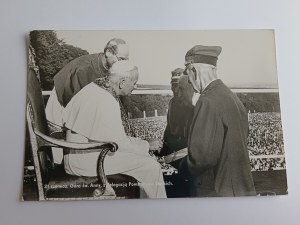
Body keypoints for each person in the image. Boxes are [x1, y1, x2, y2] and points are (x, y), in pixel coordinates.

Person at [62, 60, 167, 199]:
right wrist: (147, 145)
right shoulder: (106, 99)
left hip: (81, 154)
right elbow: (119, 143)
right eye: (134, 82)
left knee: (143, 158)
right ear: (122, 82)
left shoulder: (94, 87)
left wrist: (143, 146)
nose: (135, 86)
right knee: (151, 167)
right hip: (85, 160)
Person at [179, 45, 256, 197]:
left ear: (193, 70)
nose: (189, 82)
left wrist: (180, 166)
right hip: (240, 187)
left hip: (218, 190)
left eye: (188, 75)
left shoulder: (207, 101)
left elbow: (202, 159)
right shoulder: (231, 97)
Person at [46, 38, 130, 164]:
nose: (123, 64)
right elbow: (79, 108)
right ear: (108, 53)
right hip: (61, 106)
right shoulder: (85, 69)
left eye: (126, 60)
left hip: (73, 103)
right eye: (121, 59)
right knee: (61, 159)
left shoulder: (108, 67)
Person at [160, 68, 194, 168]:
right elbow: (169, 128)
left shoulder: (192, 105)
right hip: (173, 151)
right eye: (173, 85)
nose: (175, 89)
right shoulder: (172, 103)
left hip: (185, 152)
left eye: (179, 86)